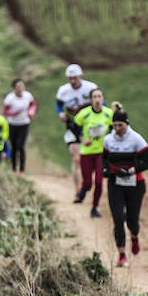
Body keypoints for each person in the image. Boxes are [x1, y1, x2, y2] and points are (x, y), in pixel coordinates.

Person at [102, 107, 148, 268]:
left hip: (135, 184)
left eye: (120, 126)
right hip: (115, 184)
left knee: (132, 219)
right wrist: (107, 171)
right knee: (118, 218)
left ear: (127, 124)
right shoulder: (108, 140)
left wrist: (131, 170)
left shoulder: (136, 139)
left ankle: (135, 235)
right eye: (115, 126)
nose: (117, 129)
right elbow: (104, 160)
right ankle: (122, 254)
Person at [55, 63, 96, 197]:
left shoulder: (90, 87)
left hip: (89, 125)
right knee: (76, 158)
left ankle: (91, 182)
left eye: (75, 78)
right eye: (70, 78)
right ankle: (78, 189)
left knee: (91, 157)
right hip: (72, 125)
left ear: (81, 76)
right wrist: (60, 113)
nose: (72, 81)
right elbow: (59, 104)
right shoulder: (63, 90)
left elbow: (102, 102)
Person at [73, 88, 112, 218]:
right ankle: (84, 189)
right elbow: (74, 127)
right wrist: (82, 138)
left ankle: (94, 207)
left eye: (99, 96)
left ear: (103, 99)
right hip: (86, 152)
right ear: (91, 100)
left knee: (100, 182)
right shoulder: (84, 114)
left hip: (102, 153)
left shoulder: (108, 114)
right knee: (88, 182)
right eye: (94, 97)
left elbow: (114, 129)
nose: (97, 99)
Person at [1, 78, 36, 175]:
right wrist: (13, 113)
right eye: (18, 87)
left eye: (21, 86)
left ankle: (22, 170)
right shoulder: (10, 98)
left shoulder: (28, 96)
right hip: (12, 124)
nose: (20, 88)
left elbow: (33, 105)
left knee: (21, 146)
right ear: (14, 88)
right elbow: (4, 111)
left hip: (24, 123)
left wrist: (31, 111)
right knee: (14, 147)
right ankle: (13, 169)